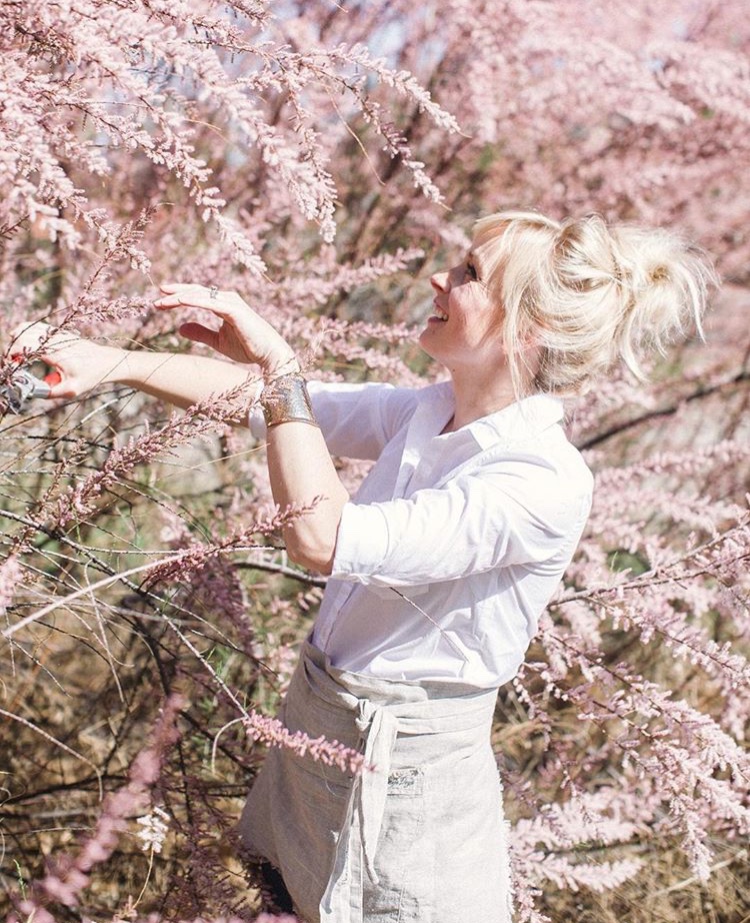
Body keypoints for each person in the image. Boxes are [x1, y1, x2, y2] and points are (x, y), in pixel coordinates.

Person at [10, 210, 715, 922]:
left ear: (528, 330)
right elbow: (279, 408)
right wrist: (114, 363)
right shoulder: (431, 410)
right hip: (321, 739)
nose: (440, 278)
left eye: (470, 274)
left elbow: (321, 534)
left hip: (405, 793)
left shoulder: (539, 481)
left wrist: (280, 366)